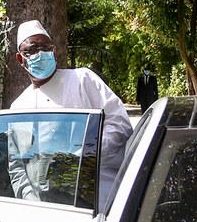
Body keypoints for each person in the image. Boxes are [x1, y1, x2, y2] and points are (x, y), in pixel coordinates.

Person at [9, 20, 133, 207]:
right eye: (33, 50)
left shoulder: (82, 79)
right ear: (20, 59)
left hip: (99, 194)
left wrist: (83, 157)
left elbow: (119, 124)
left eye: (46, 48)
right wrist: (31, 201)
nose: (40, 54)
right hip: (49, 207)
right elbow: (17, 166)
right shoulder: (19, 107)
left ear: (54, 51)